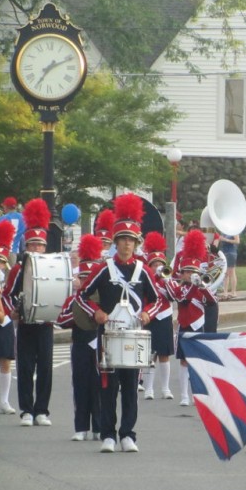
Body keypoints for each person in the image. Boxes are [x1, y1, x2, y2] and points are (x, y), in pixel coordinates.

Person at [77, 194, 165, 453]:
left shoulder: (143, 270)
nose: (126, 244)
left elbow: (159, 299)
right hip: (108, 335)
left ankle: (128, 434)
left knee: (129, 386)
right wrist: (96, 313)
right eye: (122, 240)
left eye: (131, 240)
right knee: (107, 386)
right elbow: (82, 296)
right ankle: (108, 435)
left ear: (136, 243)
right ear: (115, 242)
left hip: (134, 335)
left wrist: (148, 312)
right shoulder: (104, 268)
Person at [3, 199, 55, 427]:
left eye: (40, 245)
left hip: (45, 323)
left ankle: (42, 410)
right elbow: (6, 294)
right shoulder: (18, 268)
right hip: (25, 322)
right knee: (25, 367)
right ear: (27, 246)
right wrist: (12, 310)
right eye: (32, 245)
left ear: (45, 246)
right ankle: (26, 410)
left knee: (45, 367)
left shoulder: (53, 265)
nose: (36, 249)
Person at [56, 235, 103, 441]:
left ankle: (99, 427)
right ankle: (81, 427)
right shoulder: (72, 299)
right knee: (80, 384)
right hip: (81, 344)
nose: (86, 282)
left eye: (89, 278)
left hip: (100, 344)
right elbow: (61, 320)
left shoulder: (103, 297)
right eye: (83, 278)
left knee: (100, 386)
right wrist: (77, 307)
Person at [168, 231, 217, 407]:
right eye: (186, 272)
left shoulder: (200, 288)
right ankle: (183, 395)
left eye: (192, 272)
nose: (189, 275)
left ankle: (199, 393)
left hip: (198, 325)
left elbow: (211, 301)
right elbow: (180, 298)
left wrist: (202, 285)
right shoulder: (180, 289)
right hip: (183, 325)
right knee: (183, 360)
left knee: (197, 360)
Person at [140, 232, 175, 401]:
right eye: (154, 264)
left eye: (160, 264)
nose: (158, 267)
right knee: (149, 354)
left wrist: (166, 281)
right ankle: (148, 389)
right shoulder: (147, 279)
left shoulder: (167, 280)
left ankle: (166, 388)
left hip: (165, 316)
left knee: (164, 354)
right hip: (151, 317)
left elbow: (175, 296)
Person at [0, 220, 16, 414]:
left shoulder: (9, 277)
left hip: (5, 321)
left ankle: (4, 401)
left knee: (5, 360)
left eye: (1, 261)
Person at [0, 197, 25, 265]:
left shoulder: (3, 218)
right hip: (15, 251)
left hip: (2, 251)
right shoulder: (23, 218)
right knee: (10, 274)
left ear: (6, 207)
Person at [218, 231, 239, 300]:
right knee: (226, 273)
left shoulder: (234, 231)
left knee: (231, 272)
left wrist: (225, 239)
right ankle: (225, 291)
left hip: (231, 253)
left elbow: (237, 241)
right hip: (224, 253)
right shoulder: (224, 232)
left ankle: (233, 292)